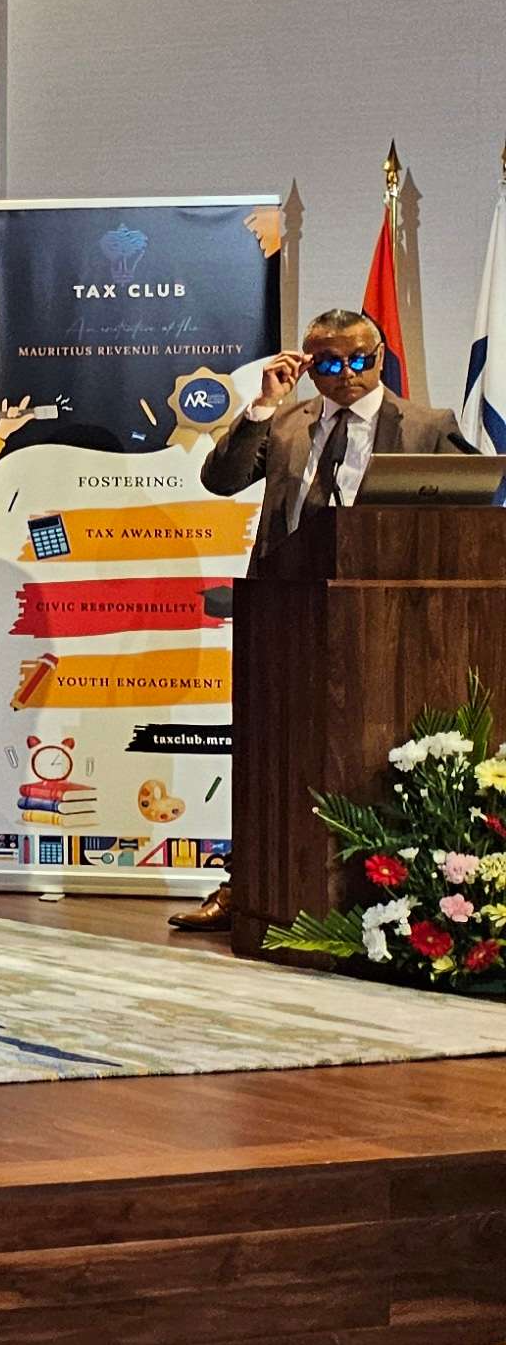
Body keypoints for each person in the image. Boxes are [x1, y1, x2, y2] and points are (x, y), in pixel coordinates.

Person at [171, 308, 460, 932]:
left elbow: (472, 506)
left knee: (373, 752)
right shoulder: (286, 423)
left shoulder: (428, 426)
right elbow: (221, 480)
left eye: (359, 360)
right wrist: (261, 406)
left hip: (390, 622)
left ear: (379, 358)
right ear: (307, 365)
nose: (346, 374)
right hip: (284, 615)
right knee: (268, 752)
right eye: (328, 363)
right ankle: (247, 884)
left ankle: (388, 891)